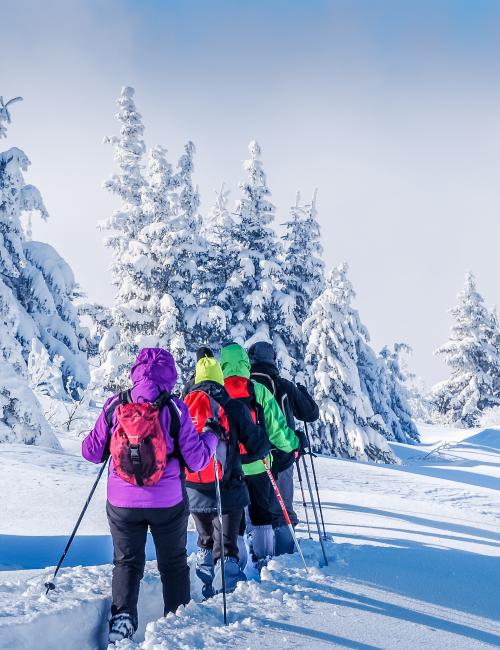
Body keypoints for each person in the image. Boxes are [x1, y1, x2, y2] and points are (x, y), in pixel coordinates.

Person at [82, 348, 219, 644]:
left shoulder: (115, 404)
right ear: (170, 375)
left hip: (122, 503)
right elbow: (196, 460)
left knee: (127, 562)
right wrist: (211, 434)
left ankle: (122, 619)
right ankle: (177, 622)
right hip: (167, 502)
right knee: (173, 563)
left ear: (135, 371)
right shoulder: (175, 408)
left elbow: (90, 452)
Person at [183, 348, 269, 597]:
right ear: (220, 376)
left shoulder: (183, 405)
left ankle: (202, 588)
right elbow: (256, 445)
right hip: (228, 489)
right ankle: (230, 594)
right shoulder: (232, 406)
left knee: (206, 542)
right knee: (228, 546)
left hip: (194, 489)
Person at [220, 343, 299, 568]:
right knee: (261, 514)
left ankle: (235, 563)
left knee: (234, 519)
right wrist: (293, 443)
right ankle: (265, 561)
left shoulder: (217, 391)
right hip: (259, 464)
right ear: (246, 363)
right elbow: (277, 431)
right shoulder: (258, 390)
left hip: (229, 468)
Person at [248, 341, 319, 555]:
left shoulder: (246, 388)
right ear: (272, 361)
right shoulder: (284, 386)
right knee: (282, 509)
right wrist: (303, 393)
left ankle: (257, 552)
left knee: (256, 509)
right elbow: (310, 414)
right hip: (283, 456)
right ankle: (284, 555)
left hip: (253, 458)